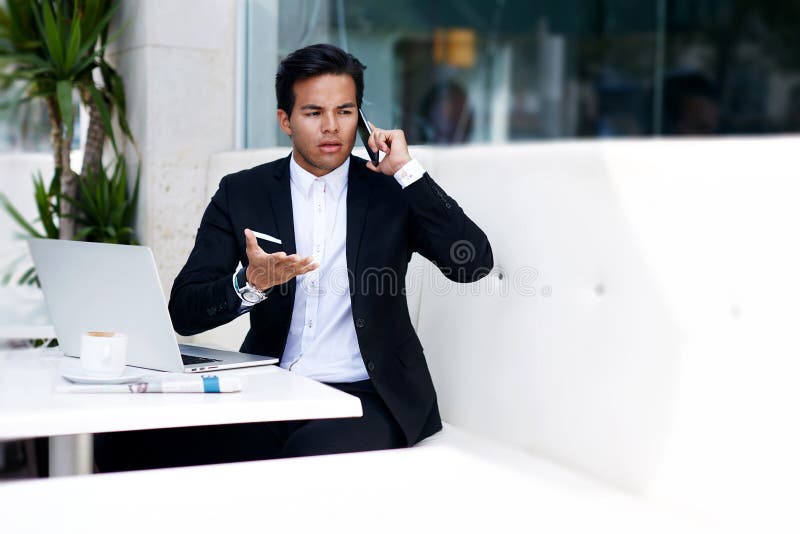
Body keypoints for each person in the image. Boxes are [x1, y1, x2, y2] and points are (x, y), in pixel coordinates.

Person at [94, 43, 492, 471]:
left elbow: (472, 264)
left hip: (370, 395)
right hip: (272, 388)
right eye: (313, 112)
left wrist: (409, 172)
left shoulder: (392, 189)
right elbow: (185, 312)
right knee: (122, 443)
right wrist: (250, 284)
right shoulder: (242, 192)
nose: (331, 127)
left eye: (345, 111)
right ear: (285, 120)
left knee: (302, 461)